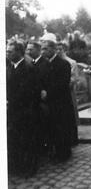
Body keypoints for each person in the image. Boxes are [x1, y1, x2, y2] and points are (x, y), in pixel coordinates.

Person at [7, 41, 40, 176]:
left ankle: (28, 169)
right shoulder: (11, 67)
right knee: (16, 141)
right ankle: (18, 167)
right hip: (16, 111)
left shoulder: (27, 68)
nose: (7, 54)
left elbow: (28, 92)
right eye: (7, 51)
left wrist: (10, 101)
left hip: (26, 111)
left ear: (19, 52)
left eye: (10, 51)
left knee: (26, 141)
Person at [41, 40, 75, 162]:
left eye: (45, 49)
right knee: (52, 128)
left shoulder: (63, 64)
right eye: (42, 49)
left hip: (61, 102)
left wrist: (48, 92)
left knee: (61, 128)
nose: (43, 51)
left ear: (53, 49)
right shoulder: (44, 64)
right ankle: (55, 151)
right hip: (49, 102)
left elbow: (62, 83)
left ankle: (64, 153)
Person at [26, 41, 52, 154]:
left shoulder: (44, 63)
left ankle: (45, 148)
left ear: (37, 50)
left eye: (31, 49)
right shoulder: (31, 63)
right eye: (27, 49)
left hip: (43, 100)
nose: (28, 52)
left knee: (44, 125)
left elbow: (46, 82)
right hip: (33, 100)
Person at [56, 42, 79, 146]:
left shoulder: (71, 62)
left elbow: (75, 78)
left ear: (64, 50)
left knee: (71, 114)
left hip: (69, 91)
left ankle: (73, 137)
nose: (58, 51)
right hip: (59, 92)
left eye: (60, 49)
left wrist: (67, 83)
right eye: (57, 49)